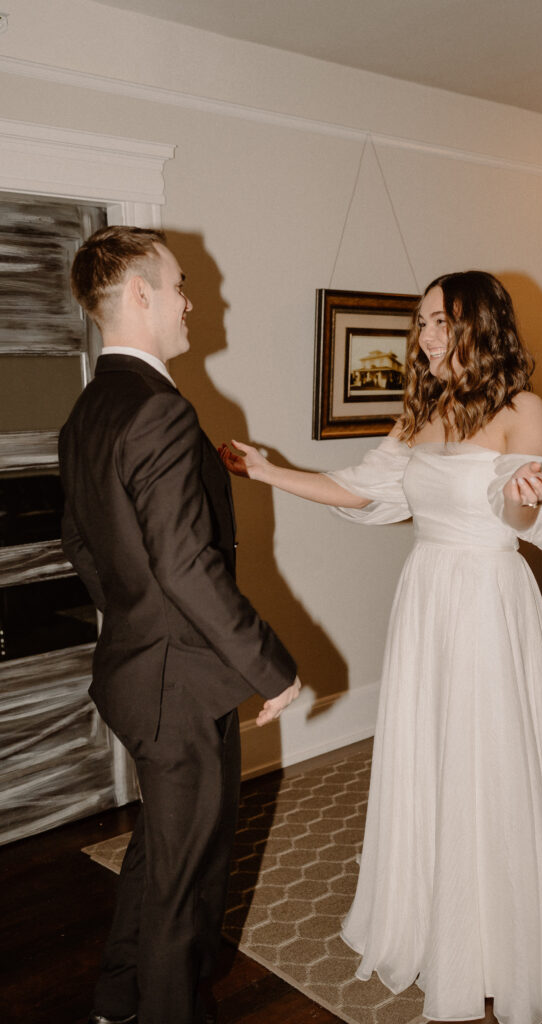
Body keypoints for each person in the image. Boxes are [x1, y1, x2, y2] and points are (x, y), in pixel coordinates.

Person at [219, 271, 542, 1024]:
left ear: (479, 326)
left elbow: (516, 517)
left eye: (440, 322)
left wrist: (530, 493)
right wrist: (264, 470)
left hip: (486, 596)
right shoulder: (424, 408)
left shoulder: (523, 410)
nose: (426, 336)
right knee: (429, 752)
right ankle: (428, 914)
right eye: (421, 323)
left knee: (486, 757)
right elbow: (359, 490)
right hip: (426, 594)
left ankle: (498, 939)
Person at [59, 225, 301, 1024]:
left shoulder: (90, 407)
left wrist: (135, 614)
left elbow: (82, 544)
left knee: (160, 853)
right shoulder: (159, 408)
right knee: (185, 889)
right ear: (138, 294)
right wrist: (272, 667)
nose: (193, 300)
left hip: (134, 672)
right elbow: (189, 566)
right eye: (180, 284)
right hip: (177, 685)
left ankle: (117, 998)